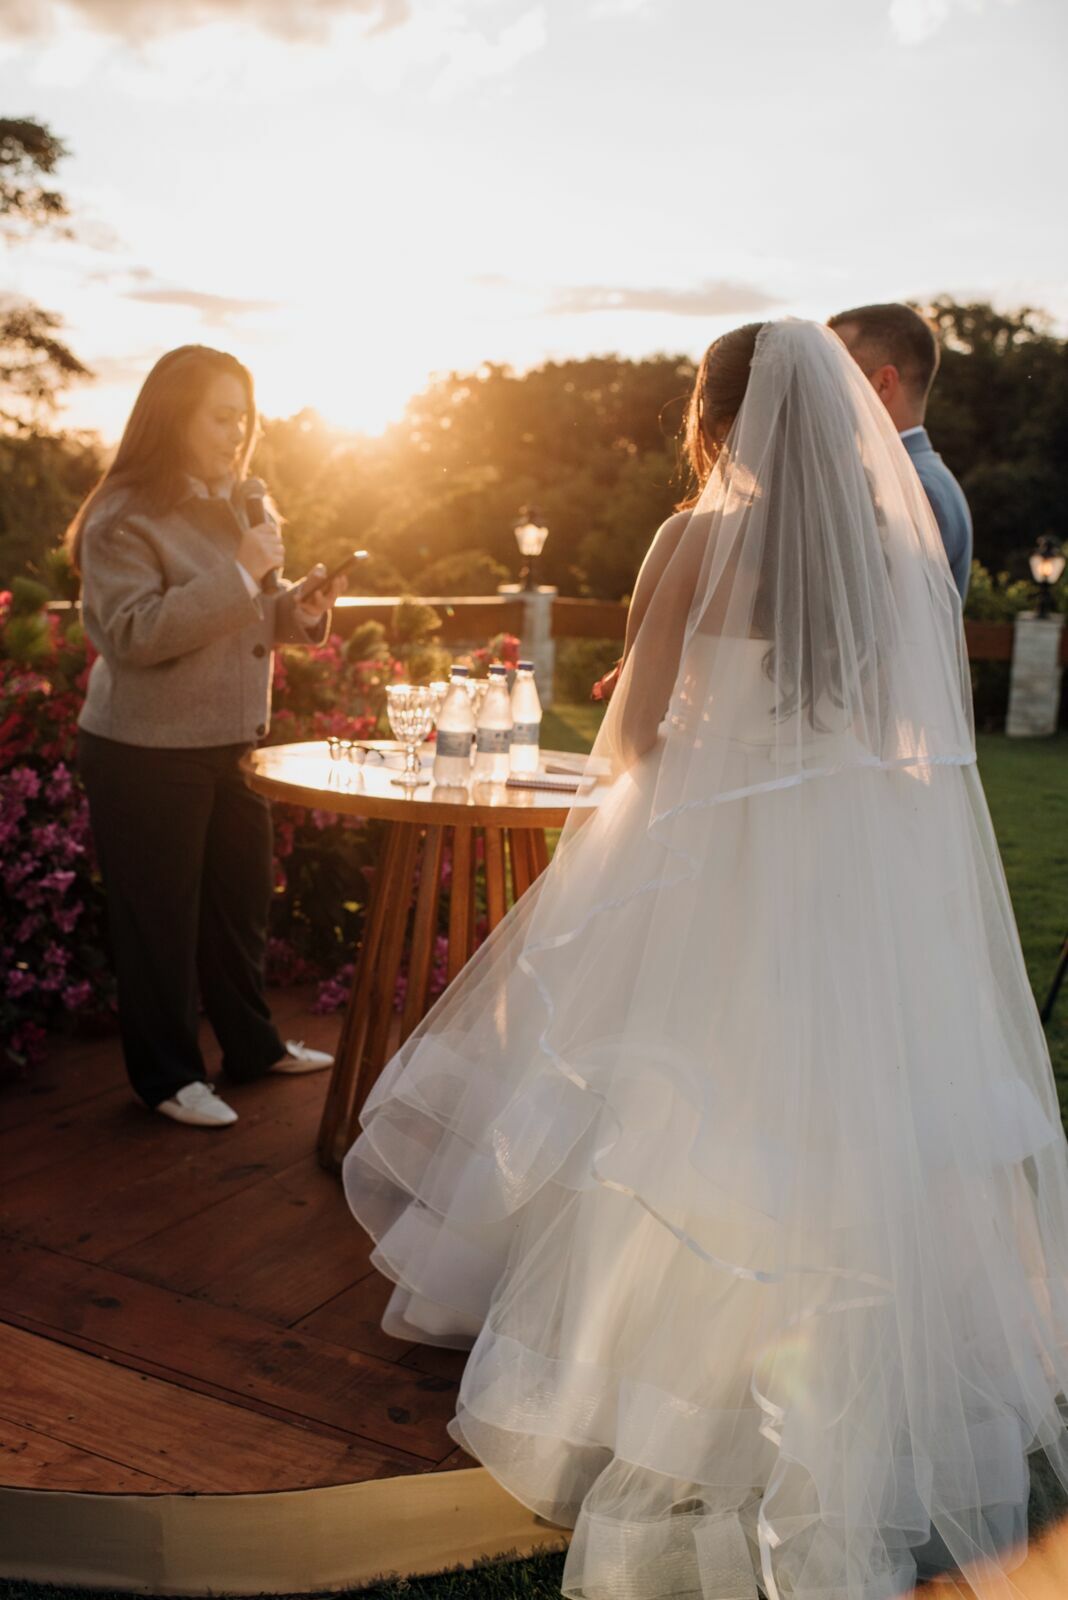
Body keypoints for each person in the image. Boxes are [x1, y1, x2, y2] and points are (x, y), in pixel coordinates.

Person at [343, 321, 1068, 1600]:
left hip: (705, 858)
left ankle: (647, 1381)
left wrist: (671, 732)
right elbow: (912, 736)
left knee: (663, 1099)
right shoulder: (892, 550)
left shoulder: (693, 537)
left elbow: (631, 735)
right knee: (850, 1114)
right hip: (846, 874)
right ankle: (863, 1383)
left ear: (717, 413)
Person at [69, 345, 348, 1129]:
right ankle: (166, 1078)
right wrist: (239, 572)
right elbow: (134, 633)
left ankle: (253, 1048)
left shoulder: (242, 503)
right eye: (221, 414)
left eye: (244, 416)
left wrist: (304, 608)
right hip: (144, 751)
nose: (238, 431)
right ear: (173, 415)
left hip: (231, 741)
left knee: (239, 906)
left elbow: (248, 616)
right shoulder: (122, 515)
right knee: (158, 921)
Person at [829, 302, 973, 599]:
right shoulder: (911, 475)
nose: (824, 387)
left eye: (836, 375)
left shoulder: (917, 490)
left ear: (883, 383)